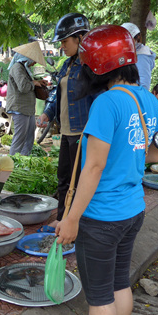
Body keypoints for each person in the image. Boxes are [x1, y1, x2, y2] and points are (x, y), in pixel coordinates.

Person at [56, 25, 158, 315]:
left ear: (96, 67)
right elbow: (150, 155)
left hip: (102, 216)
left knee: (100, 295)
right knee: (120, 283)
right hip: (133, 209)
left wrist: (71, 218)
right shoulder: (146, 98)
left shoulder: (106, 102)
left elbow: (95, 166)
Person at [38, 12, 95, 228]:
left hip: (83, 132)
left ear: (80, 38)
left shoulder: (91, 66)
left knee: (79, 180)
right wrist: (47, 113)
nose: (62, 45)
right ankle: (62, 219)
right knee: (63, 178)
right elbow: (56, 93)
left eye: (64, 40)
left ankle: (77, 222)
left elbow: (99, 100)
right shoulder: (67, 64)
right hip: (66, 132)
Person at [6, 41, 48, 155]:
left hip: (27, 110)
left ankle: (24, 161)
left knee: (29, 139)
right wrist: (34, 83)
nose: (34, 63)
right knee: (19, 139)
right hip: (19, 109)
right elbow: (24, 87)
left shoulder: (24, 69)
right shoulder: (17, 68)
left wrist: (37, 82)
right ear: (27, 58)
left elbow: (28, 83)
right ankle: (13, 165)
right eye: (34, 60)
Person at [120, 22, 156, 91]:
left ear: (137, 37)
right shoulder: (131, 53)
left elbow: (144, 85)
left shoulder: (142, 56)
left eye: (128, 40)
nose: (125, 43)